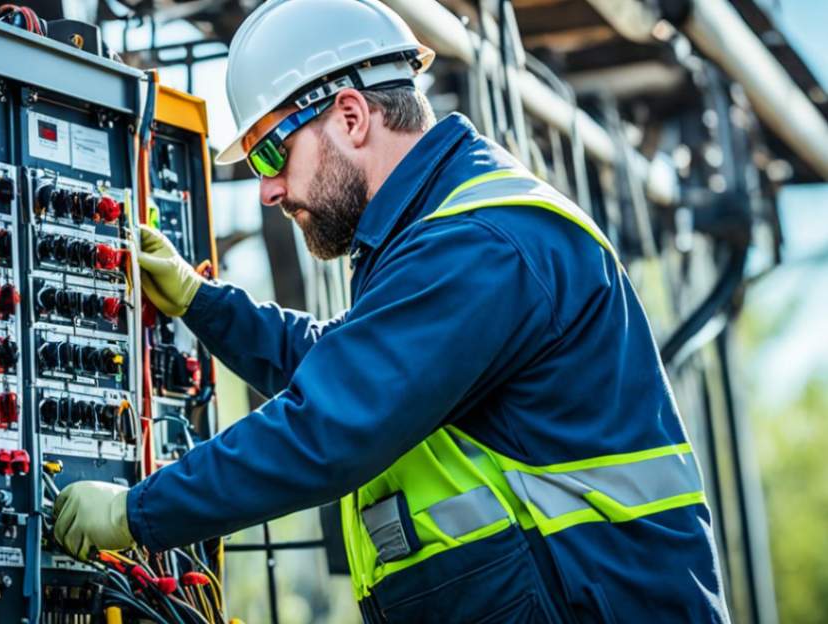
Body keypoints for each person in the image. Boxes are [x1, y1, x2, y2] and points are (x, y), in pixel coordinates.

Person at [53, 0, 730, 621]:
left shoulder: (478, 243)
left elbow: (329, 424)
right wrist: (203, 303)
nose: (268, 190)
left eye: (270, 152)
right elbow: (343, 364)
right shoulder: (442, 237)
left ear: (350, 116)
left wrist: (138, 512)